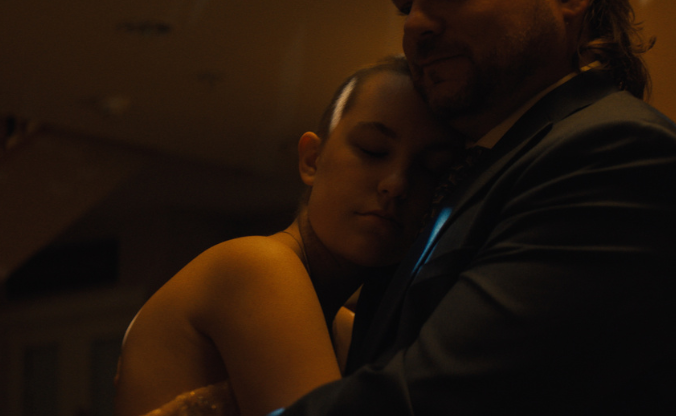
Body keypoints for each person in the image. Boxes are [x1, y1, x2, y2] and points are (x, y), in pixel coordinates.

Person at [275, 0, 676, 415]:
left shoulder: (620, 155)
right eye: (406, 6)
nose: (415, 26)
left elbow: (427, 401)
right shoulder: (474, 173)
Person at [113, 56, 462, 416]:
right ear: (312, 159)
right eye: (373, 150)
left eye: (430, 169)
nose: (396, 184)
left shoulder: (348, 329)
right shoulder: (258, 265)